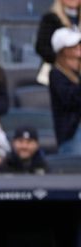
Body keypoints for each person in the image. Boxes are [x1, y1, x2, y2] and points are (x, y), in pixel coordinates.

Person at [48, 27, 81, 155]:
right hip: (71, 134)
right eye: (73, 44)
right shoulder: (56, 74)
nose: (78, 46)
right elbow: (70, 99)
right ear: (63, 50)